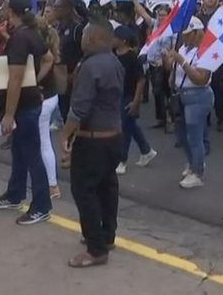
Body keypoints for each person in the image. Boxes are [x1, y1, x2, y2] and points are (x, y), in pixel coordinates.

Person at [57, 19, 124, 268]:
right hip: (113, 136)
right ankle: (106, 237)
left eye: (84, 35)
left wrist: (65, 135)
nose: (81, 39)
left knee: (84, 190)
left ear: (94, 38)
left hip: (93, 140)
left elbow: (79, 109)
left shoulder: (92, 65)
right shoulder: (114, 62)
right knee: (107, 187)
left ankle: (95, 249)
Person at [0, 0, 54, 226]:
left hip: (23, 106)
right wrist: (35, 81)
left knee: (32, 155)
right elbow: (49, 58)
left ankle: (42, 206)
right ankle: (15, 194)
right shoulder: (31, 33)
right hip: (29, 101)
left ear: (11, 11)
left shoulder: (19, 37)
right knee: (20, 151)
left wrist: (8, 113)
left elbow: (15, 78)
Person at [164, 17, 213, 189]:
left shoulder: (205, 51)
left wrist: (181, 61)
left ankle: (197, 172)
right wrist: (169, 59)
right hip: (181, 94)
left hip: (198, 96)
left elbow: (200, 78)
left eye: (187, 34)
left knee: (195, 136)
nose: (184, 37)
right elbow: (171, 69)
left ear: (196, 33)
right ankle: (193, 162)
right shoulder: (184, 48)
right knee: (182, 135)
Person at [114, 25, 157, 174]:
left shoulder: (132, 57)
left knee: (124, 128)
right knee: (131, 125)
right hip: (117, 95)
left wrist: (136, 101)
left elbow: (141, 80)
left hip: (129, 96)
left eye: (115, 38)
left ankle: (122, 160)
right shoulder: (114, 54)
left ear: (123, 40)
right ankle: (146, 150)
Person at [132, 0, 174, 130]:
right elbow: (143, 13)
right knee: (157, 92)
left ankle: (171, 118)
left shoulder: (172, 29)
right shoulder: (154, 24)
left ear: (169, 16)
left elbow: (174, 47)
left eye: (164, 15)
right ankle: (161, 119)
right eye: (159, 15)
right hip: (153, 64)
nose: (161, 17)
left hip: (165, 64)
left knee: (166, 92)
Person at [37, 16, 62, 200]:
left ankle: (52, 185)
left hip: (43, 99)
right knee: (42, 141)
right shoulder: (47, 46)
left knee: (43, 142)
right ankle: (50, 183)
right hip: (51, 97)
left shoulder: (40, 51)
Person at [197, 0, 223, 132]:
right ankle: (206, 117)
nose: (210, 0)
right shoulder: (198, 17)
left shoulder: (222, 15)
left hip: (218, 55)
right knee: (203, 86)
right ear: (203, 0)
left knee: (217, 87)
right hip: (203, 56)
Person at [50, 0, 85, 121]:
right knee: (63, 108)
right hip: (60, 74)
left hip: (74, 76)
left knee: (74, 113)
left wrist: (76, 70)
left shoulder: (77, 29)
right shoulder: (58, 28)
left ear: (67, 9)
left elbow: (85, 52)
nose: (54, 10)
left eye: (57, 7)